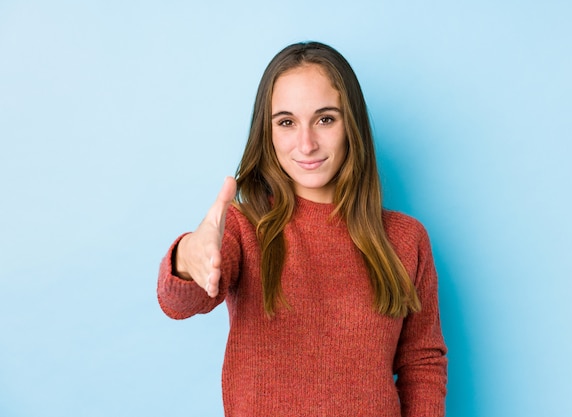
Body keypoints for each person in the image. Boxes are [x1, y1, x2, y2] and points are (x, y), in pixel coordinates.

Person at [157, 41, 447, 417]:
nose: (306, 144)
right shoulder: (244, 228)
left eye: (325, 119)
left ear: (351, 126)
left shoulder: (406, 239)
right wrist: (189, 257)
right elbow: (179, 302)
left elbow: (421, 363)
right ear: (269, 132)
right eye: (287, 122)